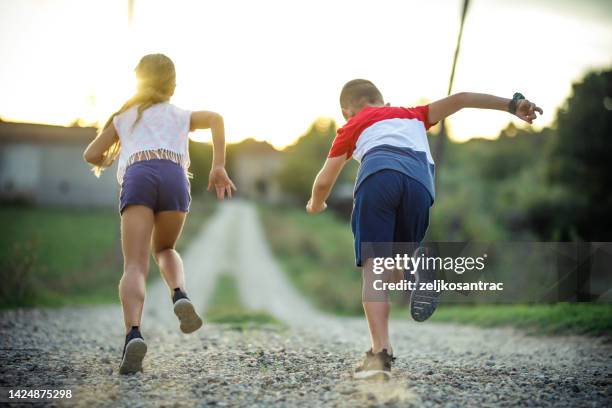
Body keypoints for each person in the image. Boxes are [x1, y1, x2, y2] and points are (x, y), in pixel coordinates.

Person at [306, 79, 542, 380]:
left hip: (378, 176)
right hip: (420, 183)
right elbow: (462, 98)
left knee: (375, 269)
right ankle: (416, 269)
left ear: (346, 111)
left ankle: (381, 355)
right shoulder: (412, 114)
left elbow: (324, 181)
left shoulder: (353, 124)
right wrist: (512, 105)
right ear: (385, 101)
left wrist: (315, 204)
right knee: (393, 271)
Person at [83, 53, 236, 375]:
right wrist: (218, 165)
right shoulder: (179, 114)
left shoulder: (124, 117)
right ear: (173, 85)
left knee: (135, 265)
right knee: (165, 249)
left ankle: (133, 334)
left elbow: (91, 154)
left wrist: (112, 156)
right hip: (174, 176)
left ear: (138, 80)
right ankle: (179, 294)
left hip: (138, 175)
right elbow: (216, 118)